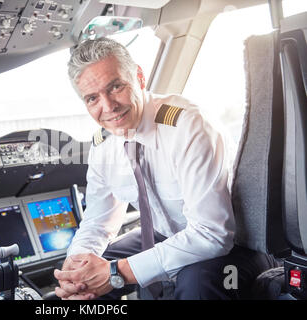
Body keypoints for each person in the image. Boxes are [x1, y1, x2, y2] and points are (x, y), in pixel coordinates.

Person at [53, 37, 277, 300]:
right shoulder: (104, 145)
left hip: (237, 248)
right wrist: (76, 266)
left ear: (139, 76)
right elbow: (98, 222)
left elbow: (212, 234)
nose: (108, 106)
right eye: (92, 98)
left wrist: (117, 272)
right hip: (167, 236)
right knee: (85, 275)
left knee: (197, 282)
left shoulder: (188, 127)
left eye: (115, 87)